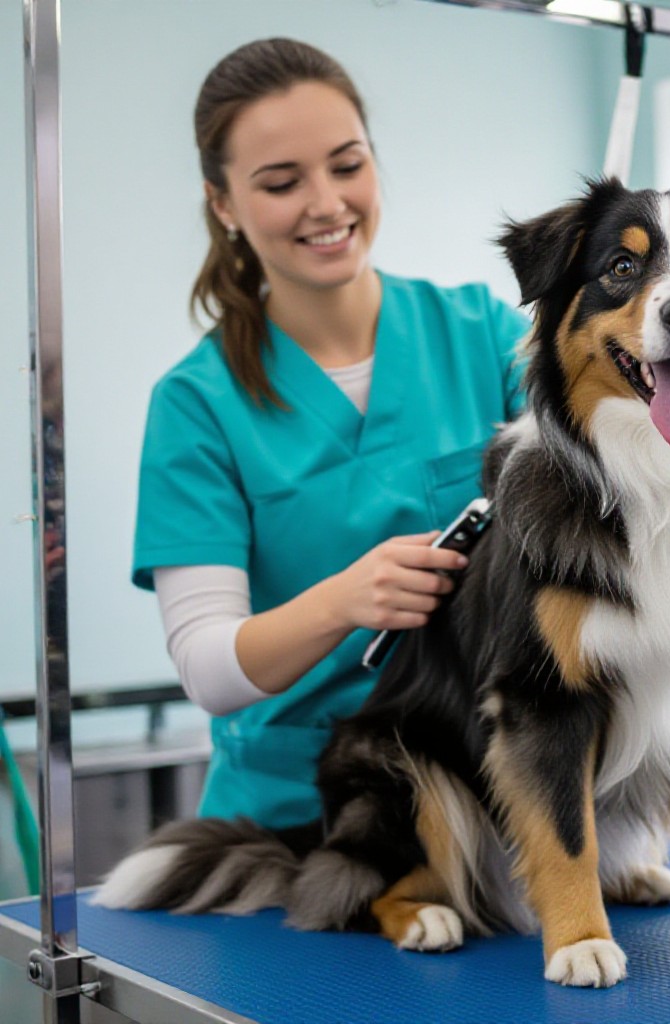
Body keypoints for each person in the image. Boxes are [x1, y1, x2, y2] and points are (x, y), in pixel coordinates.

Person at [133, 38, 528, 831]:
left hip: (483, 800)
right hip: (295, 820)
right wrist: (348, 599)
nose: (325, 203)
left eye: (347, 166)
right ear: (223, 204)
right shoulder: (198, 403)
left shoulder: (482, 333)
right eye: (282, 182)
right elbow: (210, 667)